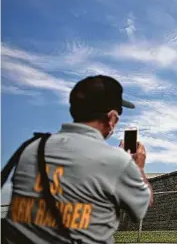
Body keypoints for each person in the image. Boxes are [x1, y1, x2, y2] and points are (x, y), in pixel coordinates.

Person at [1, 75, 153, 244]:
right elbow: (141, 208)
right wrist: (138, 167)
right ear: (111, 118)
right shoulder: (116, 161)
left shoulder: (31, 148)